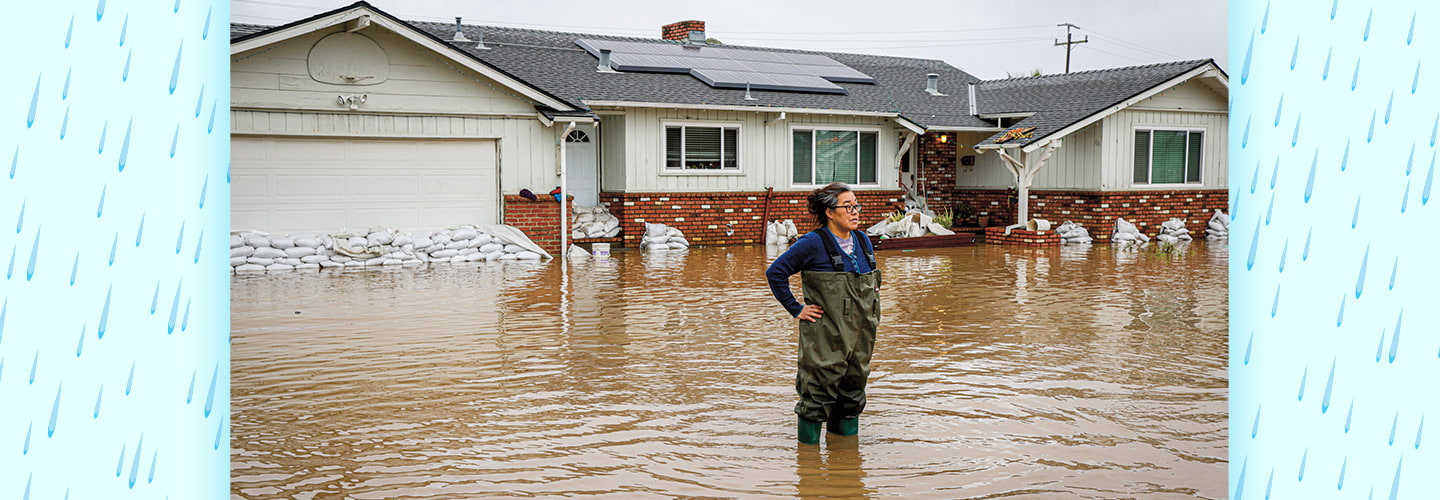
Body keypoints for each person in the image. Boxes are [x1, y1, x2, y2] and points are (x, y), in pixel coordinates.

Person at [765, 182, 881, 444]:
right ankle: (808, 464)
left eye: (856, 205)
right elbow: (776, 273)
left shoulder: (862, 241)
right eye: (847, 206)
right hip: (825, 336)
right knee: (817, 394)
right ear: (829, 212)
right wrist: (797, 309)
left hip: (861, 336)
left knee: (853, 393)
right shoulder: (812, 243)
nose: (855, 212)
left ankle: (845, 459)